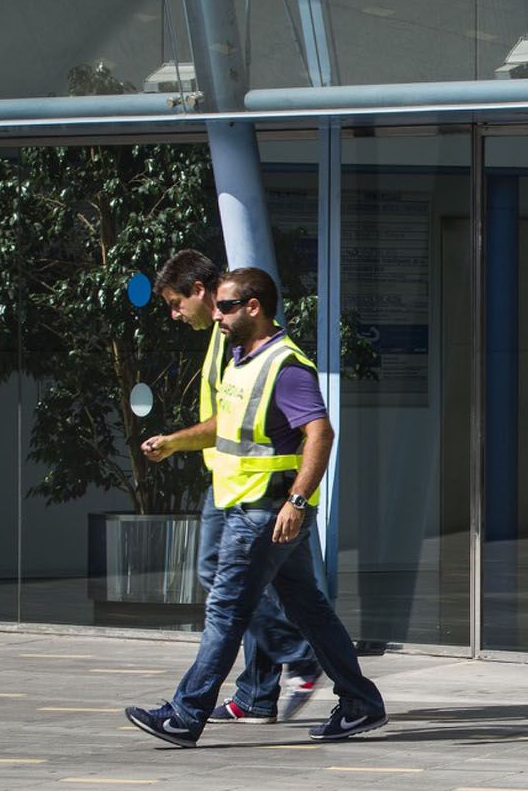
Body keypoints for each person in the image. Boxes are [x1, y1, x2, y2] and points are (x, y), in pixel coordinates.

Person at [126, 267, 386, 747]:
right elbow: (225, 424)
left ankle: (186, 715)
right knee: (309, 610)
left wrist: (297, 500)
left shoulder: (286, 366)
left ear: (254, 307)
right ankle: (360, 703)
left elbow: (320, 433)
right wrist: (174, 443)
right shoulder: (243, 359)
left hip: (266, 511)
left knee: (226, 611)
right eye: (218, 306)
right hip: (249, 506)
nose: (218, 315)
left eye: (226, 306)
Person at [142, 250, 321, 725]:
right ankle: (261, 692)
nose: (176, 315)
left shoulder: (237, 336)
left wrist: (295, 500)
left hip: (252, 489)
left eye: (177, 303)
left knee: (226, 587)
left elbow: (310, 429)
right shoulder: (223, 338)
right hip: (232, 480)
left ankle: (295, 657)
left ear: (200, 292)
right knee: (272, 589)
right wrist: (177, 443)